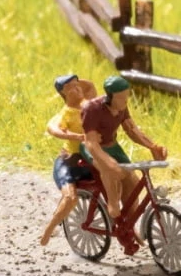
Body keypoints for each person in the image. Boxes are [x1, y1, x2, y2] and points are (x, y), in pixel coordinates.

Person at [79, 76, 166, 245]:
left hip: (113, 146)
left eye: (127, 96)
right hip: (94, 149)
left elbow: (132, 130)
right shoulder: (92, 109)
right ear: (110, 96)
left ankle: (129, 226)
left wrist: (153, 146)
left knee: (132, 184)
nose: (125, 101)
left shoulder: (121, 107)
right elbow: (90, 142)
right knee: (111, 170)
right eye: (121, 97)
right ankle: (113, 206)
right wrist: (106, 160)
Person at [39, 73, 98, 246]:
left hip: (90, 158)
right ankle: (49, 229)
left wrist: (75, 83)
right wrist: (77, 136)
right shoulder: (66, 113)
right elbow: (57, 129)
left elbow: (90, 86)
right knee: (70, 198)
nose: (76, 89)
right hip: (70, 161)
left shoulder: (89, 105)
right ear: (63, 93)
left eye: (77, 85)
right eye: (70, 88)